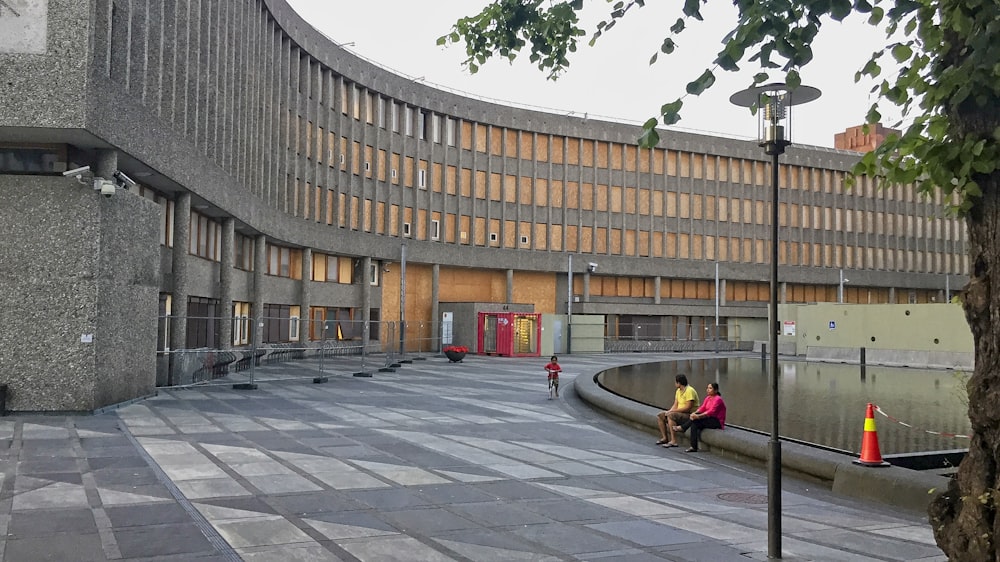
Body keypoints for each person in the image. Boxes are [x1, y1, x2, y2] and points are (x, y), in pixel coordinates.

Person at [673, 382, 727, 452]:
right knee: (694, 423)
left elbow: (711, 412)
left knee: (695, 420)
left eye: (710, 388)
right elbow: (702, 408)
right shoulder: (708, 398)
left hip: (717, 421)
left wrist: (698, 416)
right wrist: (694, 413)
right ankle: (693, 446)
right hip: (709, 418)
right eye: (707, 388)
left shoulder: (718, 399)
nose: (708, 390)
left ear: (716, 390)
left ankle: (683, 428)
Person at [656, 374, 699, 447]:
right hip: (679, 413)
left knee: (671, 416)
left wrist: (673, 412)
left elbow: (688, 407)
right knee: (660, 415)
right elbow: (675, 404)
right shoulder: (678, 391)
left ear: (679, 383)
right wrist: (669, 411)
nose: (675, 384)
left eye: (675, 382)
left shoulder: (689, 391)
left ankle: (673, 441)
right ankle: (665, 438)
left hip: (689, 414)